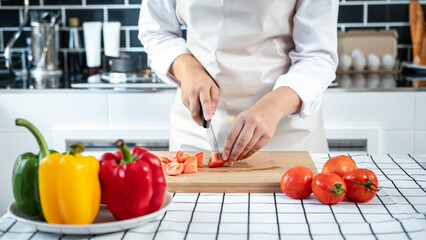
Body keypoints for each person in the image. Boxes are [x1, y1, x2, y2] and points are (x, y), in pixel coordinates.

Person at [139, 0, 338, 166]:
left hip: (288, 134)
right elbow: (156, 32)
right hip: (196, 134)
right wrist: (187, 68)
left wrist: (273, 108)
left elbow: (317, 55)